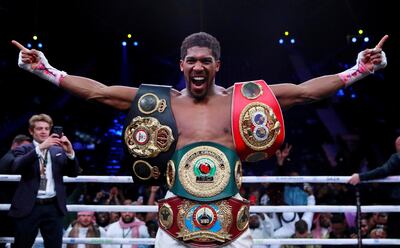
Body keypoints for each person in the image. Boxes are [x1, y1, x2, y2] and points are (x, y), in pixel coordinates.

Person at [12, 32, 388, 247]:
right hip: (174, 221)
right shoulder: (161, 102)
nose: (198, 66)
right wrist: (46, 70)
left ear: (217, 65)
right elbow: (99, 92)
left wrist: (359, 69)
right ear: (181, 65)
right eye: (191, 60)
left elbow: (305, 92)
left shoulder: (243, 100)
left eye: (206, 60)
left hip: (233, 219)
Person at [8, 113, 80, 248]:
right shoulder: (23, 149)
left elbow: (73, 173)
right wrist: (40, 148)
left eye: (46, 128)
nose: (43, 131)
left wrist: (70, 152)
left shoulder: (57, 150)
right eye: (39, 128)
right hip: (29, 206)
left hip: (53, 207)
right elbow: (16, 167)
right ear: (31, 131)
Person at [0, 134, 31, 248]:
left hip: (8, 206)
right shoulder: (11, 159)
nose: (27, 151)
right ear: (15, 145)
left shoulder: (7, 157)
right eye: (24, 147)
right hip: (9, 208)